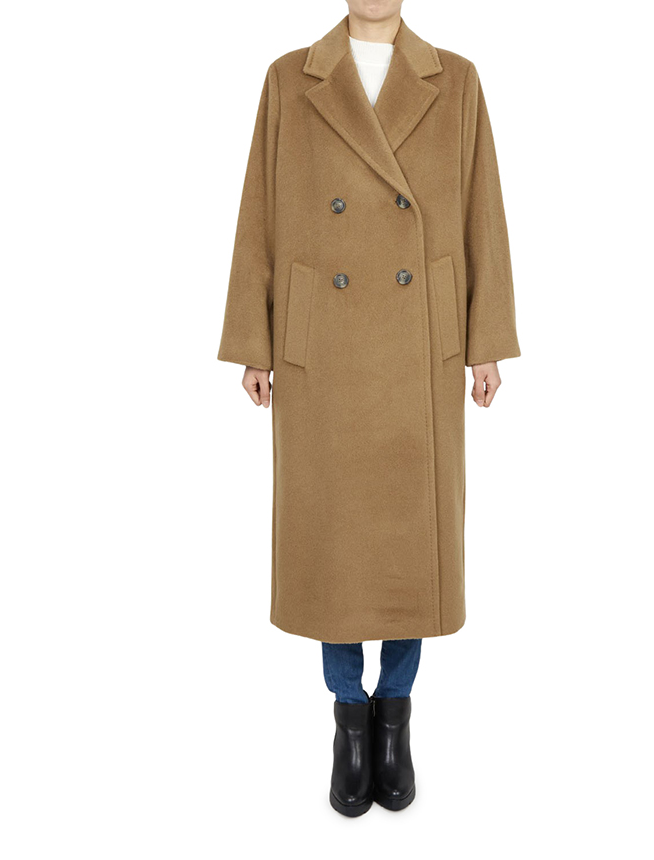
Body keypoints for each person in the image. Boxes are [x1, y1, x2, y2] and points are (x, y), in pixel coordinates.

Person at [217, 1, 520, 816]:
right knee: (335, 540)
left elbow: (481, 210)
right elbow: (258, 215)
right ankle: (350, 718)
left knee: (409, 541)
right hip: (322, 347)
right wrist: (253, 340)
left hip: (421, 343)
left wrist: (486, 340)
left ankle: (396, 718)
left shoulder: (456, 80)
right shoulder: (290, 78)